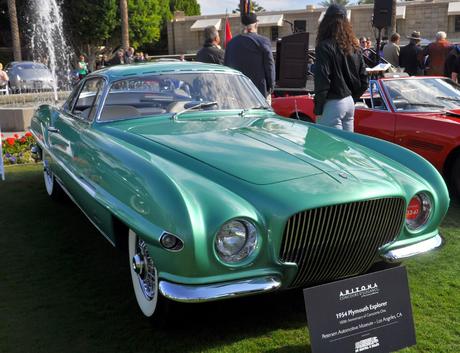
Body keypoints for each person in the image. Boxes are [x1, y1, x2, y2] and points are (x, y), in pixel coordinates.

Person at [313, 4, 368, 132]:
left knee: (330, 149)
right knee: (347, 149)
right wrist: (353, 98)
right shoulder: (355, 47)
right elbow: (364, 80)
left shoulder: (324, 46)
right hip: (349, 103)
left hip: (332, 103)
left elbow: (322, 81)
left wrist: (318, 108)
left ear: (326, 22)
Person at [224, 12, 275, 100]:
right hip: (259, 93)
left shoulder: (231, 44)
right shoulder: (263, 41)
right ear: (256, 25)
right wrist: (271, 86)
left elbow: (226, 66)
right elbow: (269, 66)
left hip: (237, 93)